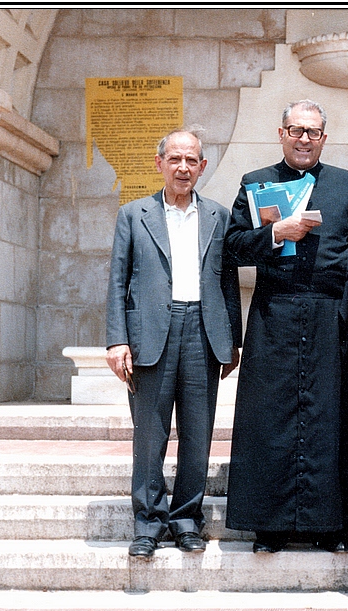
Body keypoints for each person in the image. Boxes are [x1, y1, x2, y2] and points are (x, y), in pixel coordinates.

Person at [224, 99, 348, 554]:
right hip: (275, 312)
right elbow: (232, 248)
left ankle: (331, 526)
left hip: (331, 315)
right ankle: (269, 526)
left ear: (324, 138)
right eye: (295, 130)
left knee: (332, 418)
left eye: (312, 132)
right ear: (281, 133)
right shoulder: (256, 183)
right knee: (270, 418)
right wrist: (275, 234)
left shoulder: (346, 185)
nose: (303, 138)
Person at [105, 128, 242, 558]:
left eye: (192, 160)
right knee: (150, 435)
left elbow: (228, 282)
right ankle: (147, 524)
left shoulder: (219, 216)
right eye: (175, 159)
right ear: (159, 163)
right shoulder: (133, 215)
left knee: (198, 434)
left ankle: (186, 520)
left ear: (203, 167)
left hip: (203, 331)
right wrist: (116, 340)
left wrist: (231, 341)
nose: (183, 167)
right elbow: (117, 281)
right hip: (150, 335)